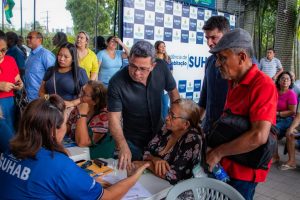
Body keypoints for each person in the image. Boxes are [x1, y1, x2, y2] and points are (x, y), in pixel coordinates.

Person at [0, 94, 149, 199]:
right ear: (53, 130)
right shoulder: (57, 164)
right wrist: (133, 178)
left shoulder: (9, 151)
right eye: (64, 124)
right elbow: (107, 198)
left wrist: (83, 182)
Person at [206, 28, 277, 200]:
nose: (217, 64)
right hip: (223, 166)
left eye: (222, 58)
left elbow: (259, 136)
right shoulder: (233, 81)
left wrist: (218, 152)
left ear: (242, 57)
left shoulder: (263, 85)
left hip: (243, 173)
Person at [108, 40, 180, 169]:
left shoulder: (162, 67)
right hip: (132, 141)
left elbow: (174, 95)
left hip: (160, 138)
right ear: (129, 60)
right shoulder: (116, 82)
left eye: (143, 69)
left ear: (153, 65)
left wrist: (178, 122)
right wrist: (122, 145)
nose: (136, 73)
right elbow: (114, 118)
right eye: (133, 66)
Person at [133, 99, 202, 185]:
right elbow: (146, 150)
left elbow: (173, 176)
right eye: (169, 112)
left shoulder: (193, 140)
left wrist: (147, 164)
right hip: (154, 181)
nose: (166, 117)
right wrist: (155, 159)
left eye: (172, 116)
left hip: (178, 191)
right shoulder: (166, 128)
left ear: (186, 124)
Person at [67, 80, 115, 159]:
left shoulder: (104, 117)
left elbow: (83, 143)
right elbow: (68, 127)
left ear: (95, 101)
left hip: (97, 162)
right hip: (77, 154)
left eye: (84, 94)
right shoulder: (79, 107)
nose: (80, 96)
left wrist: (82, 115)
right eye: (81, 91)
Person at [39, 42, 88, 108]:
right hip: (50, 111)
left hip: (70, 112)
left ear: (73, 59)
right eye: (59, 55)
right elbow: (41, 92)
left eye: (66, 57)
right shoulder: (50, 70)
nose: (61, 59)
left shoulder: (80, 72)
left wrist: (72, 103)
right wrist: (49, 98)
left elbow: (88, 95)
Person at [0, 34, 23, 149]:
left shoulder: (10, 60)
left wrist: (19, 85)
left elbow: (18, 79)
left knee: (9, 137)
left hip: (9, 103)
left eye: (3, 50)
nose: (0, 54)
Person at [272, 71, 297, 163]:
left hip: (287, 119)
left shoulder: (291, 94)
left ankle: (275, 156)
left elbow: (292, 111)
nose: (285, 80)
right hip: (274, 116)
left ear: (290, 82)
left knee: (272, 130)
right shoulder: (274, 91)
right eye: (283, 78)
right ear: (279, 81)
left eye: (288, 79)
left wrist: (278, 114)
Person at [24, 31, 55, 101]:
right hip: (29, 98)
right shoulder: (31, 55)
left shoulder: (45, 55)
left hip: (41, 100)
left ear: (39, 40)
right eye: (27, 37)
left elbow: (53, 77)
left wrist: (48, 99)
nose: (27, 39)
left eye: (30, 37)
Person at [155, 40, 173, 120]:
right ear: (157, 48)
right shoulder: (153, 59)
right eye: (161, 46)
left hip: (166, 86)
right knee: (157, 105)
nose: (163, 48)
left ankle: (164, 124)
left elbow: (171, 71)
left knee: (165, 105)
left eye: (164, 46)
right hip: (156, 85)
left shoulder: (168, 58)